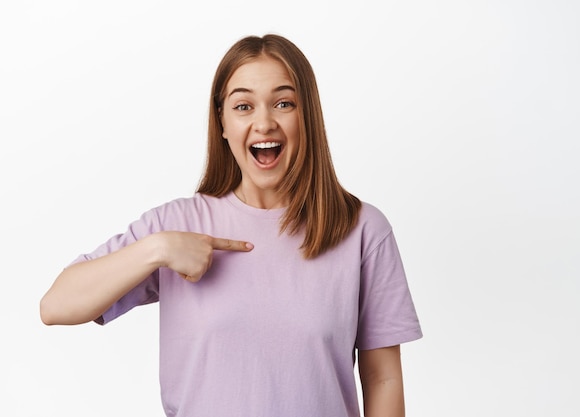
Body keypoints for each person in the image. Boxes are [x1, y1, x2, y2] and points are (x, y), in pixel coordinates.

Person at [40, 34, 422, 417]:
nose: (264, 122)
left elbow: (383, 379)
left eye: (284, 103)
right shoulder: (177, 225)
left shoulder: (361, 230)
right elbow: (55, 306)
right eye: (243, 106)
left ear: (308, 115)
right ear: (222, 122)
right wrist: (157, 250)